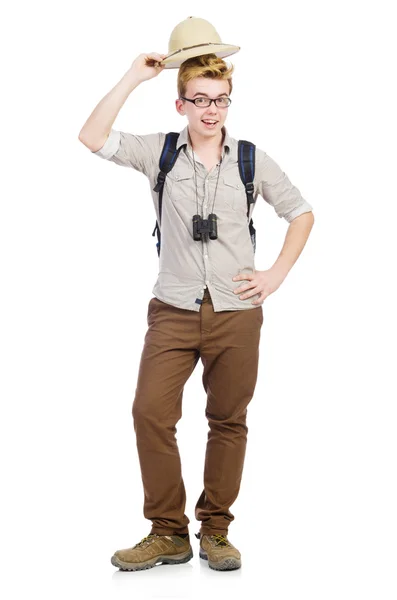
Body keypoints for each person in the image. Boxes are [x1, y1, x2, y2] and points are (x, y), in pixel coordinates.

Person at [78, 18, 314, 572]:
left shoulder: (251, 159)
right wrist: (133, 78)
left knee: (228, 420)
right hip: (173, 311)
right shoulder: (159, 153)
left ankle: (215, 530)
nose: (212, 110)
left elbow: (301, 212)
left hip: (237, 313)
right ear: (180, 104)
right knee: (149, 414)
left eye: (221, 100)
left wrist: (275, 274)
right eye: (201, 100)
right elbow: (92, 137)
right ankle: (167, 532)